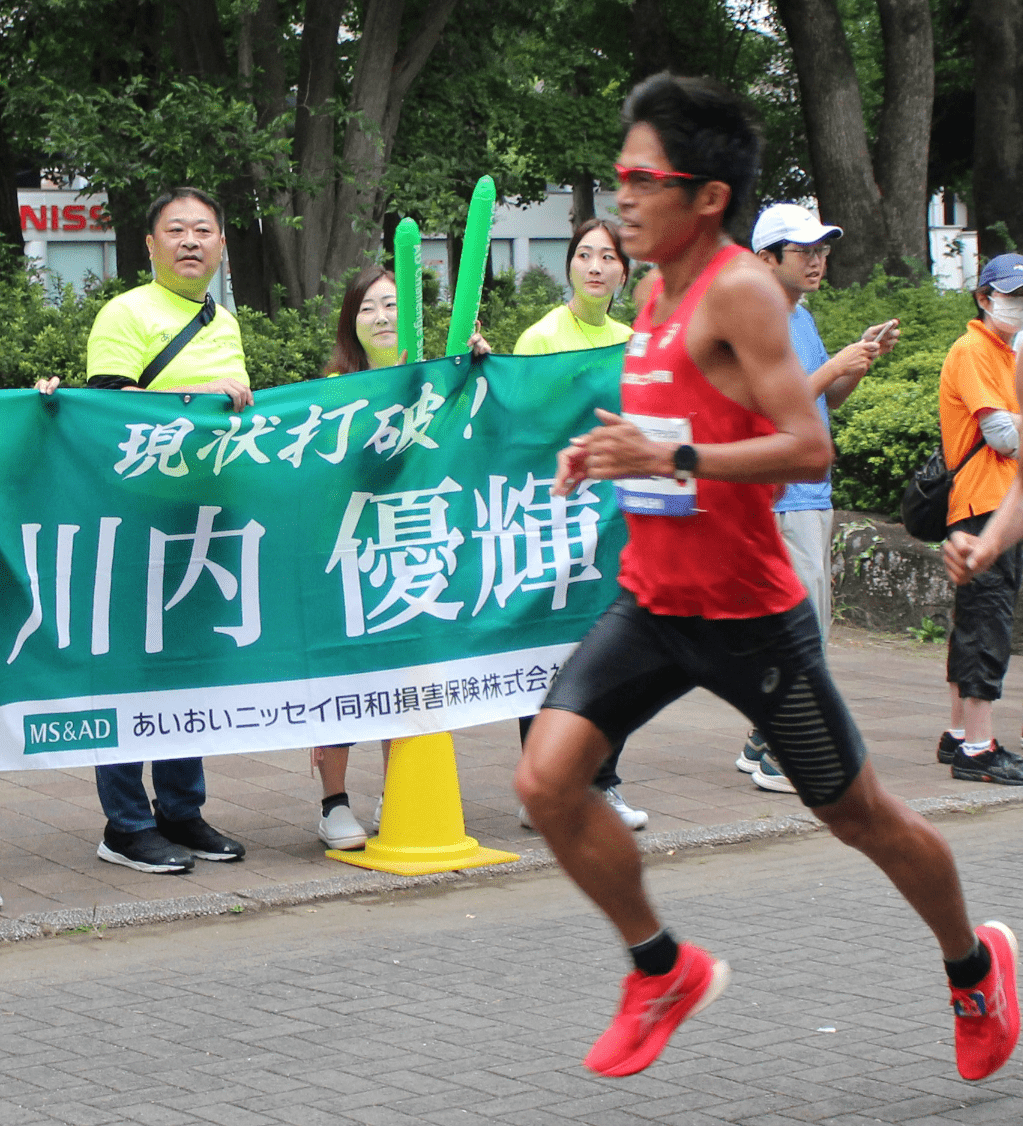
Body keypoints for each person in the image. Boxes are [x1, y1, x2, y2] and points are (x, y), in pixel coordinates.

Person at [515, 72, 1019, 1084]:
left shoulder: (740, 287)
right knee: (545, 779)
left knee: (859, 815)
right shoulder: (655, 288)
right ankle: (661, 969)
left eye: (643, 178)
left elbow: (804, 449)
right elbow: (686, 423)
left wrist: (676, 462)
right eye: (621, 174)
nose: (624, 196)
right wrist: (609, 448)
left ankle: (976, 968)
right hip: (654, 603)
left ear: (707, 195)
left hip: (751, 618)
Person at [37, 187, 251, 874]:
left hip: (199, 523)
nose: (192, 241)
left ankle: (180, 812)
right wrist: (199, 399)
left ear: (221, 245)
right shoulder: (124, 313)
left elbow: (228, 425)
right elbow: (110, 417)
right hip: (130, 522)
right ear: (150, 246)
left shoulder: (225, 321)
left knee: (184, 669)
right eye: (176, 230)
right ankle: (125, 823)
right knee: (128, 670)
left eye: (204, 230)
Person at [313, 265, 491, 850]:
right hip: (348, 550)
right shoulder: (334, 389)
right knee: (345, 678)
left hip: (414, 546)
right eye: (368, 308)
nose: (383, 317)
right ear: (351, 322)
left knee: (407, 677)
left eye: (392, 305)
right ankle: (333, 802)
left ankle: (401, 791)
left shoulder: (433, 378)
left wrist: (473, 365)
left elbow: (474, 428)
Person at [738, 203, 898, 793]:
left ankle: (762, 740)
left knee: (791, 626)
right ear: (766, 259)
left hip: (803, 493)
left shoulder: (797, 315)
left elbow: (824, 404)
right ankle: (784, 756)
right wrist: (833, 367)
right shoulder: (758, 320)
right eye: (805, 252)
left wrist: (856, 362)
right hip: (785, 499)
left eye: (822, 252)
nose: (818, 262)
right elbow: (766, 410)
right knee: (803, 628)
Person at [512, 219, 647, 832]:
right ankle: (541, 788)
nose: (595, 266)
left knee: (612, 654)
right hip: (551, 512)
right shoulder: (540, 337)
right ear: (569, 266)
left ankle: (603, 783)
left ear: (624, 271)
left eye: (607, 257)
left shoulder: (633, 339)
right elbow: (519, 423)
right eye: (584, 255)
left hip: (616, 520)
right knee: (545, 654)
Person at [935, 254, 1023, 784]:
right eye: (1010, 294)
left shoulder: (1007, 354)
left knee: (978, 620)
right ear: (984, 298)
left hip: (999, 500)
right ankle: (977, 749)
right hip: (983, 504)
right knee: (985, 623)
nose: (1018, 305)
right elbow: (1002, 437)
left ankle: (958, 735)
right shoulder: (974, 349)